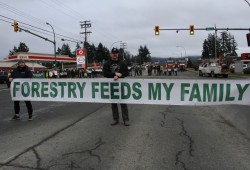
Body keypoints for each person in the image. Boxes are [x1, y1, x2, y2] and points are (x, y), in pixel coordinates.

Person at [103, 48, 130, 126]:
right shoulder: (107, 64)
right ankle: (115, 119)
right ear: (111, 54)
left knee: (123, 103)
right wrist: (114, 74)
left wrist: (120, 75)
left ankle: (126, 119)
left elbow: (126, 72)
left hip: (121, 86)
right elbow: (105, 73)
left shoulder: (122, 63)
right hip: (111, 86)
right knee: (113, 103)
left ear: (118, 54)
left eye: (116, 53)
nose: (114, 55)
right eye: (113, 53)